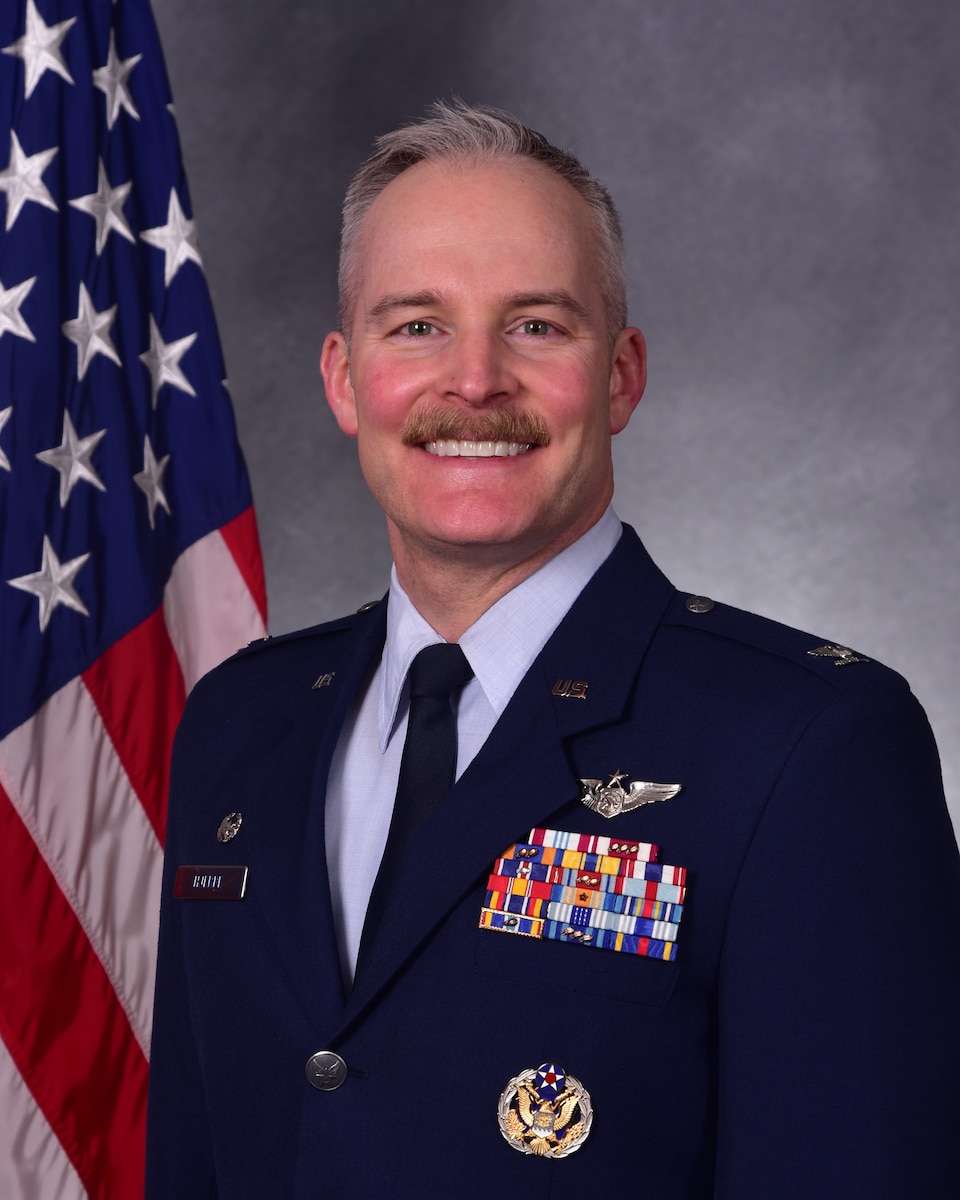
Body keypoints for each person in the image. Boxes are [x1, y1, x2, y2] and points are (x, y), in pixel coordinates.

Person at [145, 101, 960, 1198]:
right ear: (345, 379)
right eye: (417, 325)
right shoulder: (241, 724)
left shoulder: (808, 749)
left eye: (536, 324)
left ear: (620, 375)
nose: (474, 382)